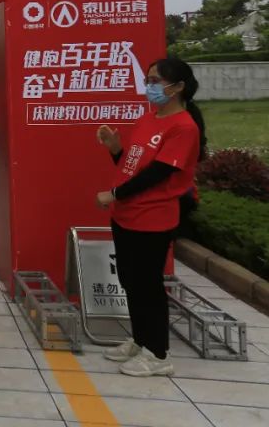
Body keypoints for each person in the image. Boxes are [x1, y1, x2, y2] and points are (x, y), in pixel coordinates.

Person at [94, 57, 204, 378]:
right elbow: (132, 165)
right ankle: (140, 340)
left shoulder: (184, 127)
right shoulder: (149, 118)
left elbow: (157, 175)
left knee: (148, 285)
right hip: (127, 215)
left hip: (153, 218)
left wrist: (113, 194)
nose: (149, 86)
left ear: (178, 87)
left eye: (156, 81)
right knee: (131, 280)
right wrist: (116, 149)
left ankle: (157, 354)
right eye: (148, 80)